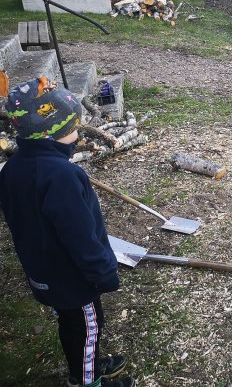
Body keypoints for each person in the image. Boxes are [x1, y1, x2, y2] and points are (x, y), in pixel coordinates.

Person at [0, 77, 134, 387]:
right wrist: (103, 272)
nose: (77, 134)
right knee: (88, 325)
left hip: (43, 269)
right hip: (73, 276)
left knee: (74, 325)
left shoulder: (13, 169)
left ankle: (88, 362)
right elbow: (80, 235)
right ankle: (87, 380)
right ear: (53, 134)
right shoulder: (62, 176)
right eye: (72, 128)